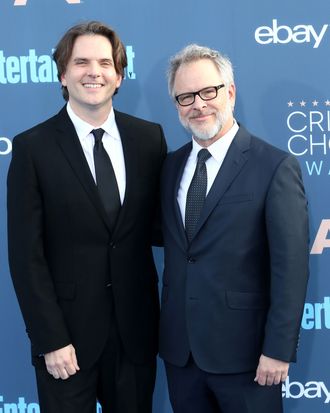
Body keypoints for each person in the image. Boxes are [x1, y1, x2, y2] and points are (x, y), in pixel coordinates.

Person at [7, 21, 166, 413]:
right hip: (66, 341)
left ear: (119, 77)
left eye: (104, 63)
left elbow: (163, 229)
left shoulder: (149, 139)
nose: (93, 71)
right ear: (63, 74)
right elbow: (26, 257)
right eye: (81, 62)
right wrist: (50, 340)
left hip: (135, 337)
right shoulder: (33, 148)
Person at [159, 44, 309, 413]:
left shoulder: (273, 166)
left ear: (230, 92)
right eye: (186, 96)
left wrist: (277, 350)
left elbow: (290, 269)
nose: (199, 104)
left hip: (250, 359)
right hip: (182, 357)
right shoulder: (169, 167)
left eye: (208, 91)